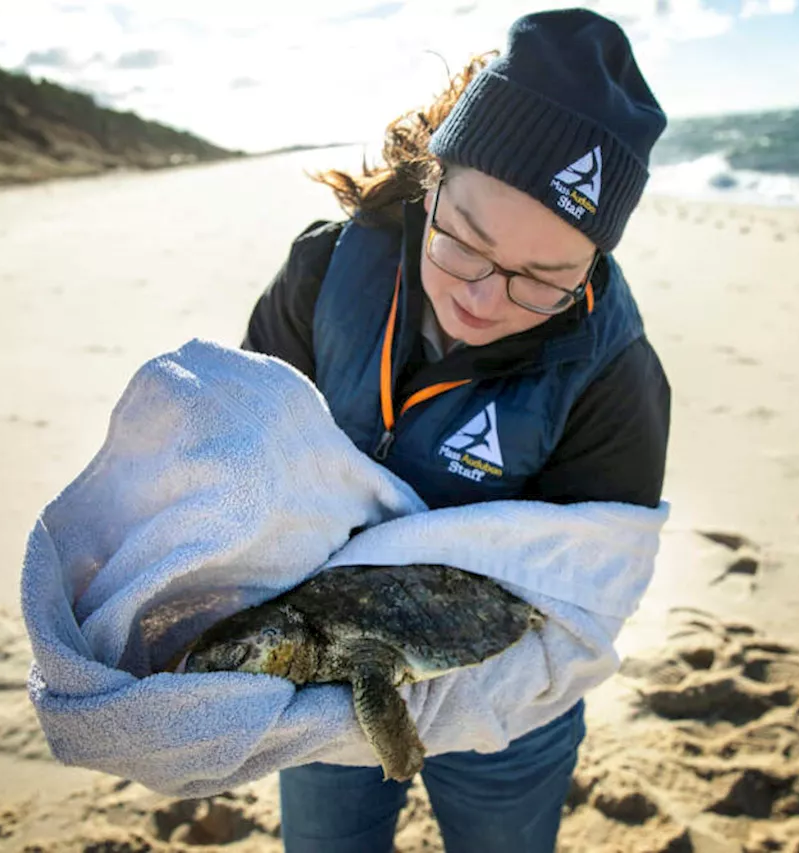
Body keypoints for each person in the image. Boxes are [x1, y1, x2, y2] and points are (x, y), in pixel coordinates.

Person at [241, 8, 670, 851]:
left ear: (593, 265)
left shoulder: (613, 371)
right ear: (430, 178)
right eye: (463, 243)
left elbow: (587, 579)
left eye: (543, 279)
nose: (481, 300)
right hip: (324, 672)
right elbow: (244, 453)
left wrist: (474, 689)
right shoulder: (324, 273)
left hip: (508, 702)